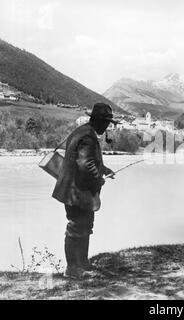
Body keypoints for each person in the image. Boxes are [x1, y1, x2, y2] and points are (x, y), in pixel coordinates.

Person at [52, 102, 119, 279]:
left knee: (84, 225)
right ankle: (73, 268)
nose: (107, 126)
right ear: (97, 120)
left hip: (74, 190)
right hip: (77, 192)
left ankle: (82, 263)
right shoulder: (88, 137)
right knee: (76, 227)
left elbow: (86, 160)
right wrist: (99, 179)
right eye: (106, 122)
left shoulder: (82, 131)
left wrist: (104, 170)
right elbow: (85, 165)